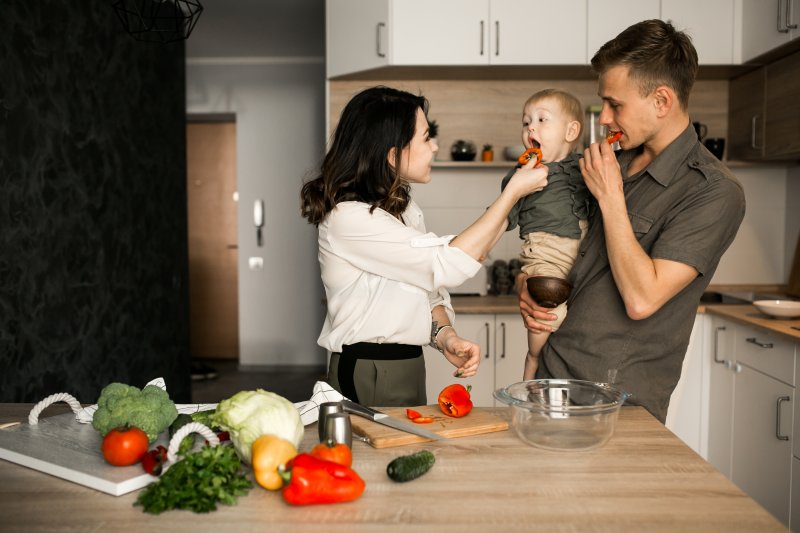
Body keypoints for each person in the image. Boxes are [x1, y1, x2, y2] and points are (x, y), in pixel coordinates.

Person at [517, 19, 746, 423]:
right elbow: (559, 239)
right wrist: (532, 283)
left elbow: (642, 298)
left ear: (661, 101)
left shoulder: (714, 191)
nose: (604, 118)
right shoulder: (609, 161)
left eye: (615, 104)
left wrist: (610, 197)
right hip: (551, 377)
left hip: (615, 404)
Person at [300, 86, 548, 407]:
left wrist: (446, 337)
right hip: (369, 370)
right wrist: (512, 193)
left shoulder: (404, 207)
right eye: (426, 137)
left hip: (407, 365)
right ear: (392, 154)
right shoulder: (349, 218)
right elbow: (444, 262)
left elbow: (428, 289)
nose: (435, 146)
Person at [499, 88, 592, 380]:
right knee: (547, 317)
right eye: (526, 122)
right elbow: (502, 217)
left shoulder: (586, 167)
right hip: (544, 255)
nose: (531, 128)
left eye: (542, 120)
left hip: (584, 257)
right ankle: (532, 365)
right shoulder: (524, 174)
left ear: (571, 130)